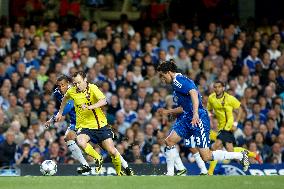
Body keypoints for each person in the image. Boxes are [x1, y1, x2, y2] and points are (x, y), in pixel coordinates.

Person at [156, 59, 249, 176]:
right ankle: (170, 173)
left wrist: (195, 114)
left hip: (198, 118)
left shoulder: (179, 80)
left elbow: (194, 93)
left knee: (206, 156)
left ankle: (241, 155)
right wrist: (168, 111)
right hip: (187, 117)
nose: (162, 79)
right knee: (169, 141)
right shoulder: (176, 83)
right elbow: (185, 107)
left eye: (163, 76)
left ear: (169, 72)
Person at [47, 75, 134, 175]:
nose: (61, 88)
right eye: (59, 86)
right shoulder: (60, 92)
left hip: (96, 123)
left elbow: (70, 105)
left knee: (110, 149)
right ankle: (87, 164)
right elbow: (64, 102)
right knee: (70, 138)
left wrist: (55, 116)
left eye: (63, 85)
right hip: (79, 123)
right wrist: (58, 113)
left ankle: (125, 167)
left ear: (68, 84)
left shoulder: (86, 88)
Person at [207, 80, 262, 175]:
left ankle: (210, 173)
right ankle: (252, 154)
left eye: (219, 87)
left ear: (223, 88)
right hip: (220, 127)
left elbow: (240, 109)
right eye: (215, 87)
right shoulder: (211, 98)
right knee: (230, 150)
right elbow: (209, 110)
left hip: (228, 126)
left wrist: (236, 122)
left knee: (215, 147)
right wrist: (209, 117)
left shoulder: (230, 98)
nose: (217, 89)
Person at [158, 107, 208, 175]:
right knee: (170, 144)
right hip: (182, 123)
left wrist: (168, 111)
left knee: (192, 148)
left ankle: (203, 170)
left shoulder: (187, 99)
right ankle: (180, 168)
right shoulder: (178, 101)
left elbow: (183, 108)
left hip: (189, 123)